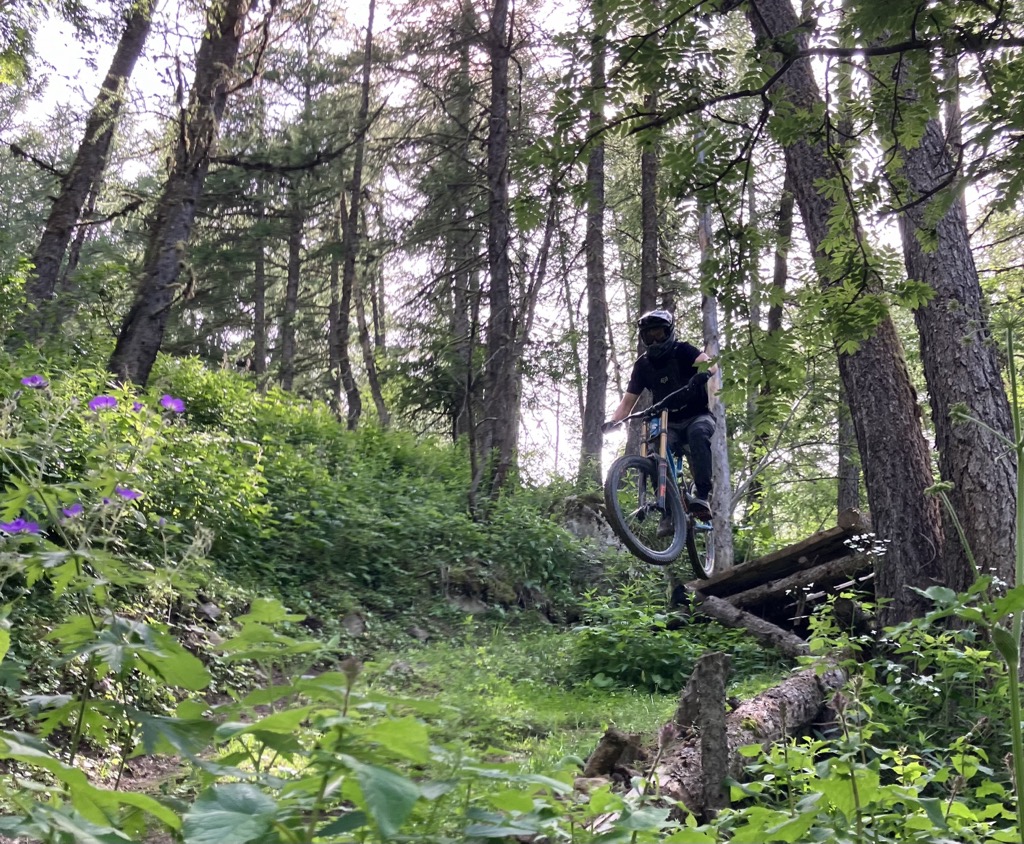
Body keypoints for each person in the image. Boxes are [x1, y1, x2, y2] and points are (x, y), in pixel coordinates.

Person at [602, 308, 717, 529]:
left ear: (669, 332)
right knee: (656, 452)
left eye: (659, 334)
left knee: (698, 433)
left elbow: (709, 362)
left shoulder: (683, 350)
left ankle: (702, 495)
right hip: (668, 422)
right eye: (649, 335)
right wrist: (614, 422)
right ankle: (668, 511)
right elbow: (627, 402)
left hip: (697, 415)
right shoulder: (643, 365)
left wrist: (704, 373)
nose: (654, 340)